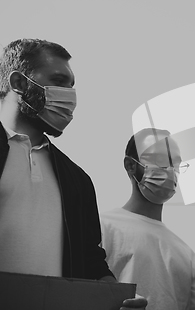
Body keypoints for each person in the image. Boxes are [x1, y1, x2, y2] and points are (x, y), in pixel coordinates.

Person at [0, 39, 146, 309]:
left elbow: (91, 260)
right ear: (19, 84)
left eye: (72, 85)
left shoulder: (77, 180)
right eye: (58, 81)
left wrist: (119, 297)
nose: (69, 95)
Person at [100, 128, 195, 310]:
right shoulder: (100, 228)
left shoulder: (189, 259)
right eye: (159, 160)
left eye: (175, 163)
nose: (169, 170)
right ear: (130, 165)